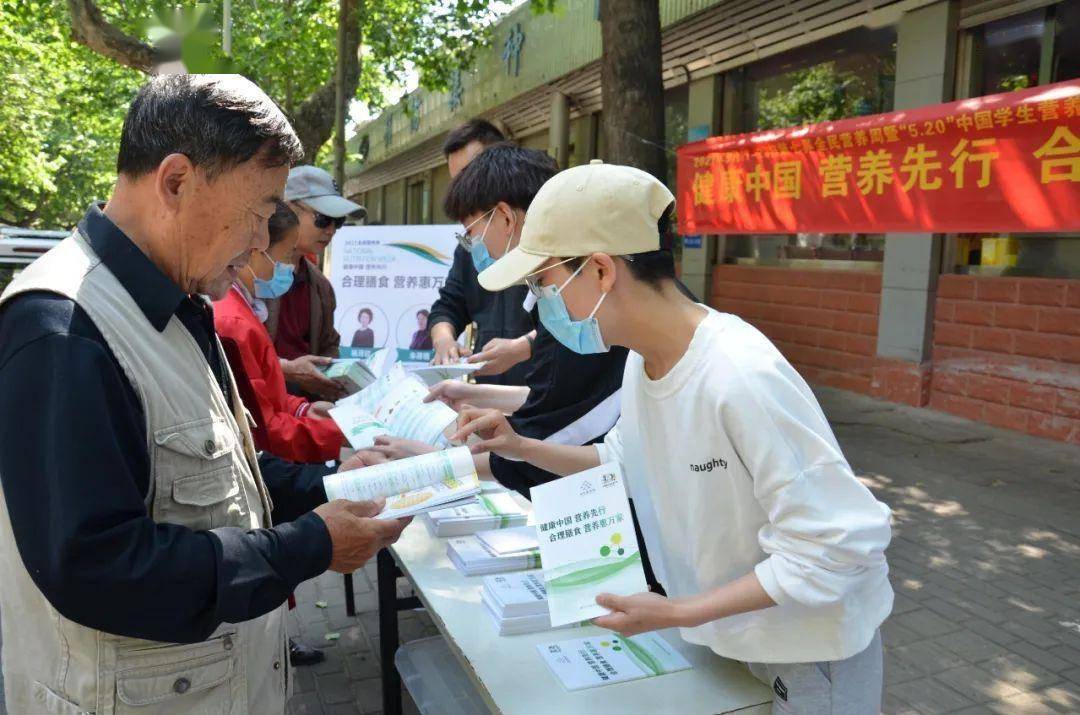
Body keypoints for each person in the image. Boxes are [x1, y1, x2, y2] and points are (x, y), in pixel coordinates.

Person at [0, 75, 409, 714]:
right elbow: (98, 568)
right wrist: (312, 544)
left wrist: (331, 487)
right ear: (176, 180)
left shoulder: (180, 304)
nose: (260, 241)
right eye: (259, 210)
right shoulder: (64, 330)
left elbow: (223, 472)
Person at [453, 161, 894, 712]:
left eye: (542, 283)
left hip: (807, 649)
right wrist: (519, 445)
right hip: (729, 632)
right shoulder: (645, 361)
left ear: (600, 270)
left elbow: (837, 548)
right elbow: (623, 462)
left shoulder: (739, 374)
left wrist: (679, 611)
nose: (540, 305)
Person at [381, 144, 627, 500]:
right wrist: (473, 394)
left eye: (539, 282)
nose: (541, 297)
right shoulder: (572, 299)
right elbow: (570, 404)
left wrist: (438, 462)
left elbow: (558, 431)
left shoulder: (580, 302)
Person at [214, 201, 347, 464]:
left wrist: (303, 409)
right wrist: (340, 433)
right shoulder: (234, 322)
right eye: (286, 256)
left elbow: (265, 396)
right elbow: (264, 427)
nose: (288, 267)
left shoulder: (244, 308)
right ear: (254, 252)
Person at [427, 119, 535, 385]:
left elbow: (576, 326)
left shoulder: (554, 252)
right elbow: (448, 306)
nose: (465, 190)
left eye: (470, 175)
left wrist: (525, 346)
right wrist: (444, 341)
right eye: (457, 182)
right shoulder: (472, 246)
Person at [267, 164, 363, 400]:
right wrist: (287, 370)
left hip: (306, 413)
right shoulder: (241, 273)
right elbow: (233, 353)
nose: (331, 230)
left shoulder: (320, 286)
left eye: (338, 222)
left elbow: (328, 345)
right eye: (323, 219)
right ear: (286, 209)